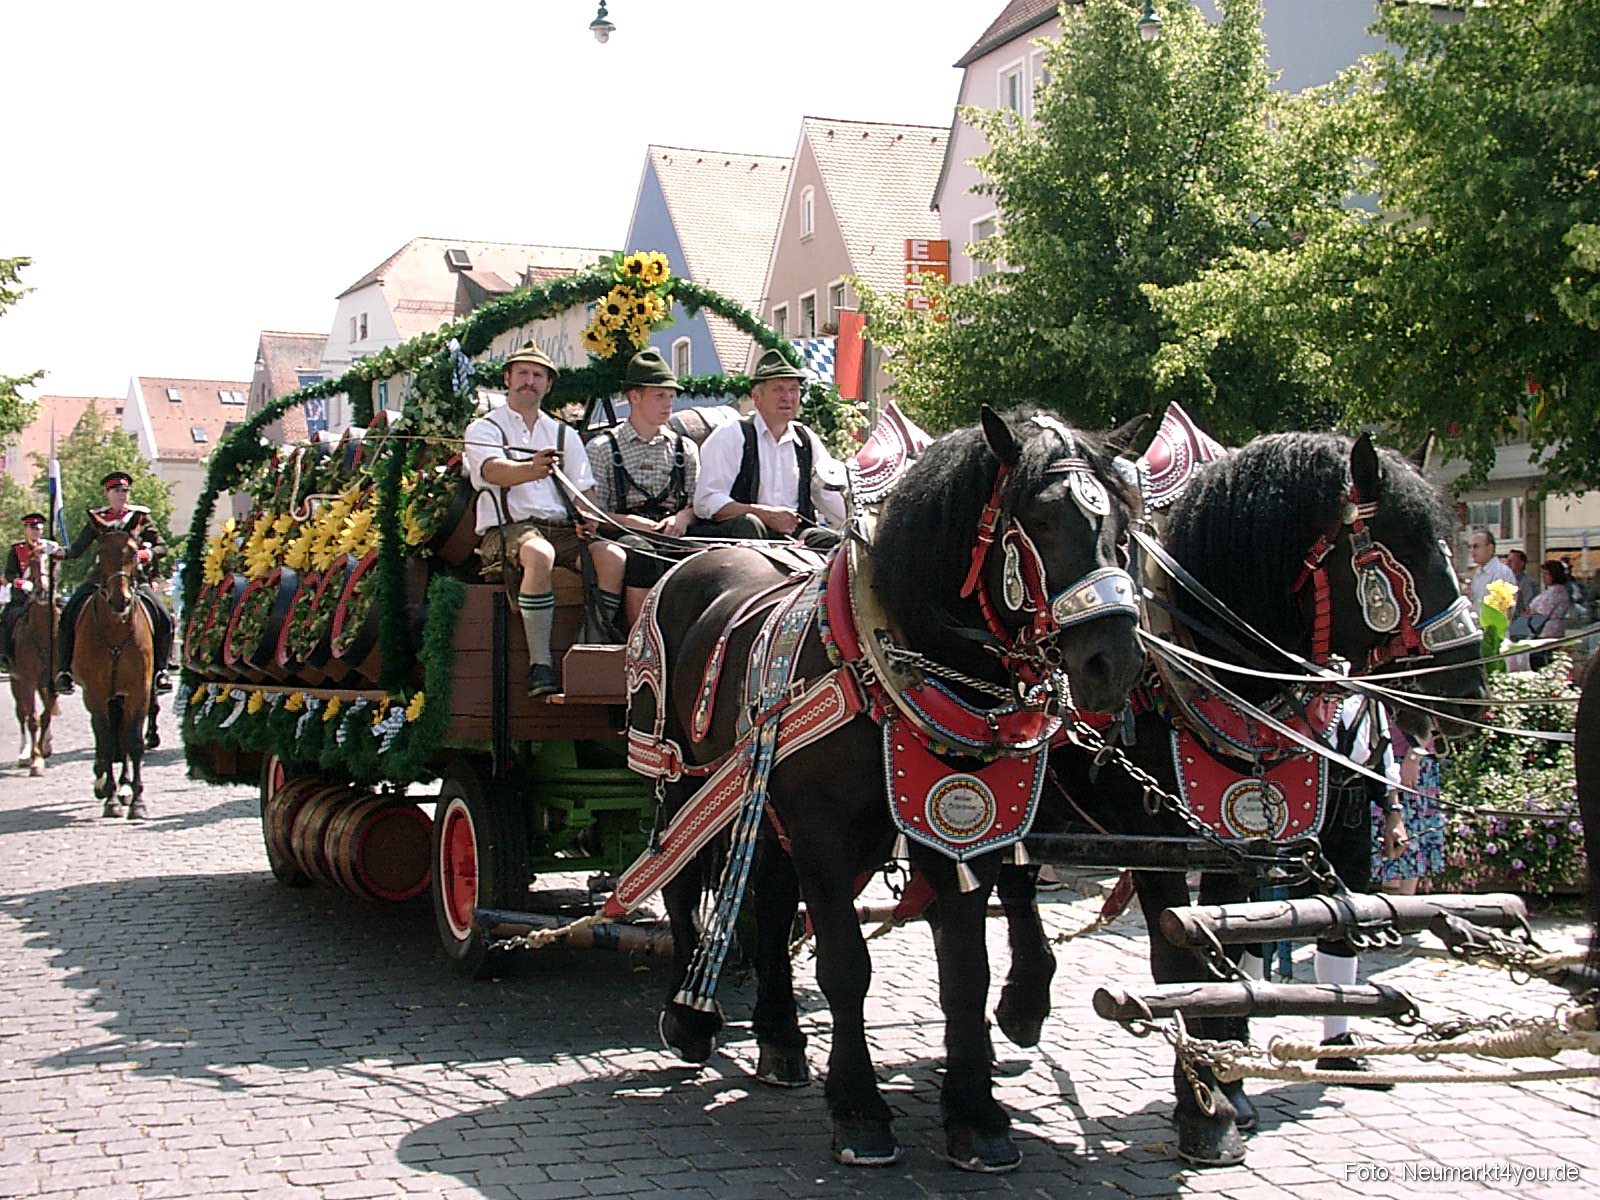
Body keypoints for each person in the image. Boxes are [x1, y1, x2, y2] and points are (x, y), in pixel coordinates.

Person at [462, 341, 627, 699]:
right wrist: (531, 469)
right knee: (539, 554)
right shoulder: (484, 428)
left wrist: (588, 518)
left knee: (613, 557)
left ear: (548, 385)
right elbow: (492, 470)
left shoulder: (563, 434)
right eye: (523, 373)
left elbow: (584, 491)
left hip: (561, 528)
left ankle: (589, 651)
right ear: (507, 378)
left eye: (538, 375)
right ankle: (541, 665)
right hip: (507, 529)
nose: (530, 381)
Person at [585, 347, 699, 625]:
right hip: (624, 535)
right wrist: (631, 523)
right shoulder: (602, 448)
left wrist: (682, 518)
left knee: (707, 555)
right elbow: (593, 516)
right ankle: (638, 639)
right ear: (634, 396)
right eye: (659, 395)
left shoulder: (685, 448)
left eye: (671, 396)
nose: (668, 404)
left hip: (672, 533)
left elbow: (698, 504)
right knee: (641, 552)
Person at [691, 348, 846, 546]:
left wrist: (860, 525)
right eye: (778, 389)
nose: (787, 397)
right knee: (750, 524)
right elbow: (706, 500)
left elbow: (830, 496)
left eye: (793, 390)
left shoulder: (806, 440)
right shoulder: (731, 434)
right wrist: (761, 513)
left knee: (832, 543)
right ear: (757, 397)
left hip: (792, 536)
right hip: (740, 536)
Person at [55, 472, 176, 694]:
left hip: (135, 579)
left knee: (164, 616)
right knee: (69, 612)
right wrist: (59, 552)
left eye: (125, 491)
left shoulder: (140, 517)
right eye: (117, 491)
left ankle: (161, 669)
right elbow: (78, 548)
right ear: (107, 494)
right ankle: (64, 670)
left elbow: (162, 546)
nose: (122, 495)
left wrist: (147, 553)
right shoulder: (98, 518)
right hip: (101, 578)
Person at [1371, 731, 1444, 896]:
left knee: (1407, 850)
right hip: (1377, 758)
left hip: (1407, 760)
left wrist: (1414, 755)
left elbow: (1433, 714)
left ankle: (1404, 916)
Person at [0, 513, 64, 673]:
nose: (36, 532)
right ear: (26, 529)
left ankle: (66, 657)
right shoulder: (17, 549)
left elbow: (57, 571)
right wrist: (22, 583)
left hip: (48, 592)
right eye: (33, 528)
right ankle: (5, 655)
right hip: (23, 596)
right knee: (7, 616)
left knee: (66, 615)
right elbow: (9, 574)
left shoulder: (50, 548)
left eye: (39, 529)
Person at [1464, 528, 1516, 610]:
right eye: (1469, 547)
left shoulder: (1501, 573)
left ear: (1490, 548)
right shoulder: (1477, 573)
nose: (1472, 551)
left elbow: (1503, 610)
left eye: (1476, 546)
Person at [1505, 549, 1538, 618]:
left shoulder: (1527, 583)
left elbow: (1529, 606)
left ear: (1521, 563)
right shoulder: (1505, 580)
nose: (1507, 564)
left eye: (1511, 561)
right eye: (1507, 561)